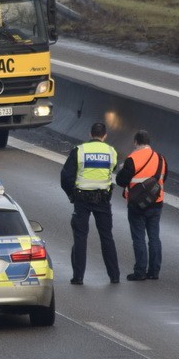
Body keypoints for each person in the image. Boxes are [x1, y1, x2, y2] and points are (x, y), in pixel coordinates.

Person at [60, 121, 120, 285]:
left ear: (90, 134)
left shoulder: (79, 150)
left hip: (82, 199)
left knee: (80, 237)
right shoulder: (111, 151)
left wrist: (72, 195)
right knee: (107, 237)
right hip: (103, 200)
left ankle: (78, 277)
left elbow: (66, 177)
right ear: (105, 135)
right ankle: (114, 276)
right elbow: (112, 169)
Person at [116, 130, 168, 281]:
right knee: (154, 237)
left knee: (138, 238)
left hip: (136, 205)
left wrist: (122, 169)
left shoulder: (132, 159)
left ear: (135, 142)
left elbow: (121, 181)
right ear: (149, 142)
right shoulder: (161, 158)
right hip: (156, 203)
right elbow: (163, 179)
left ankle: (140, 272)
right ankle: (154, 271)